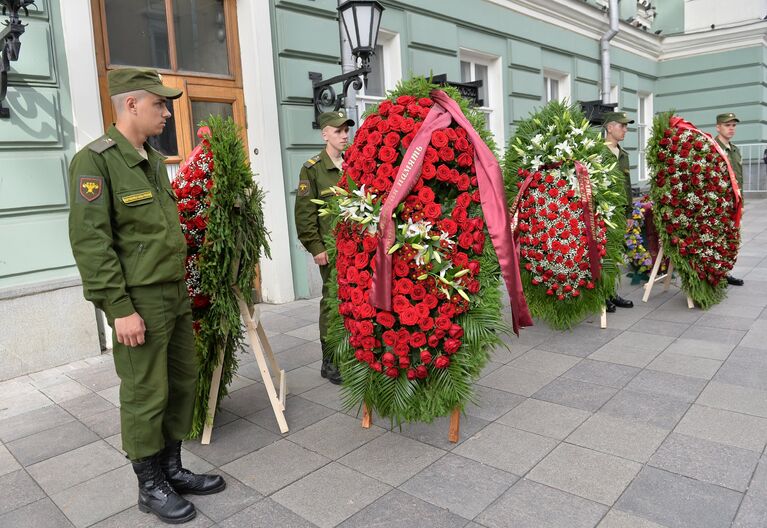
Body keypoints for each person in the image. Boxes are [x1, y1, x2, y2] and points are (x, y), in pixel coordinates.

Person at [68, 67, 225, 525]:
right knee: (145, 392)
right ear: (131, 104)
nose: (166, 112)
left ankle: (171, 468)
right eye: (159, 104)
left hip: (173, 293)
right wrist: (119, 309)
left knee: (180, 382)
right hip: (139, 301)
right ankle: (148, 485)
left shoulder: (152, 160)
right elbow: (91, 243)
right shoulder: (95, 162)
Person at [295, 110, 354, 385]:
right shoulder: (313, 168)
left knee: (354, 300)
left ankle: (351, 352)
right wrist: (316, 246)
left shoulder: (353, 163)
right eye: (338, 130)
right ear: (325, 134)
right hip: (331, 249)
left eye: (346, 130)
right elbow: (305, 213)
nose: (344, 135)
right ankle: (330, 360)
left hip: (357, 247)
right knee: (333, 301)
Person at [602, 111, 635, 312]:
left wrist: (629, 213)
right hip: (604, 214)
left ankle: (611, 292)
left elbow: (627, 186)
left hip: (620, 214)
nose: (625, 130)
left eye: (626, 126)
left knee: (614, 255)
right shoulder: (597, 153)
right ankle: (602, 295)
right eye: (622, 126)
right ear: (610, 127)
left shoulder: (623, 155)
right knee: (602, 255)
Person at [714, 111, 744, 286]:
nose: (731, 129)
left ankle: (725, 272)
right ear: (718, 127)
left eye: (733, 125)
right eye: (727, 125)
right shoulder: (712, 149)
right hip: (719, 203)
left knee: (730, 238)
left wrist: (742, 202)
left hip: (735, 203)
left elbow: (739, 179)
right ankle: (715, 273)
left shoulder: (734, 150)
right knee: (716, 238)